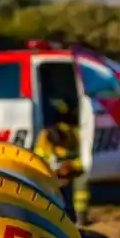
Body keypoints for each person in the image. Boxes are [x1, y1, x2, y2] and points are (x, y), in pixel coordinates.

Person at [34, 96, 91, 226]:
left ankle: (80, 217)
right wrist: (54, 170)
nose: (60, 146)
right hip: (53, 174)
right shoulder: (45, 137)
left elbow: (85, 160)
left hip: (72, 172)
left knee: (81, 184)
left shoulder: (77, 135)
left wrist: (71, 167)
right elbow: (39, 159)